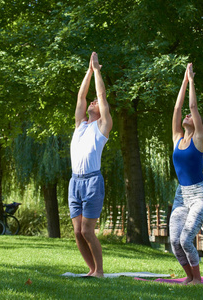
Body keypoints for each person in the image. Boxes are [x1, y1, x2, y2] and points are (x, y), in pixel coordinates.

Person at [69, 52, 113, 278]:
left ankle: (101, 271)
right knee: (77, 232)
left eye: (96, 103)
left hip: (92, 181)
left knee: (87, 230)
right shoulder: (80, 126)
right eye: (91, 102)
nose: (93, 102)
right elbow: (81, 97)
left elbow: (101, 95)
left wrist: (97, 70)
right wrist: (87, 70)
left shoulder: (102, 127)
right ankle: (92, 269)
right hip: (74, 182)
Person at [169, 63, 203, 285]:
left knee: (186, 239)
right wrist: (183, 82)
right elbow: (177, 110)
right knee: (175, 241)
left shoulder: (198, 138)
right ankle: (189, 276)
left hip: (199, 196)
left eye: (190, 116)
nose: (186, 115)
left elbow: (192, 106)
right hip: (181, 195)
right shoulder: (177, 139)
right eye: (185, 115)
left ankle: (197, 278)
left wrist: (192, 81)